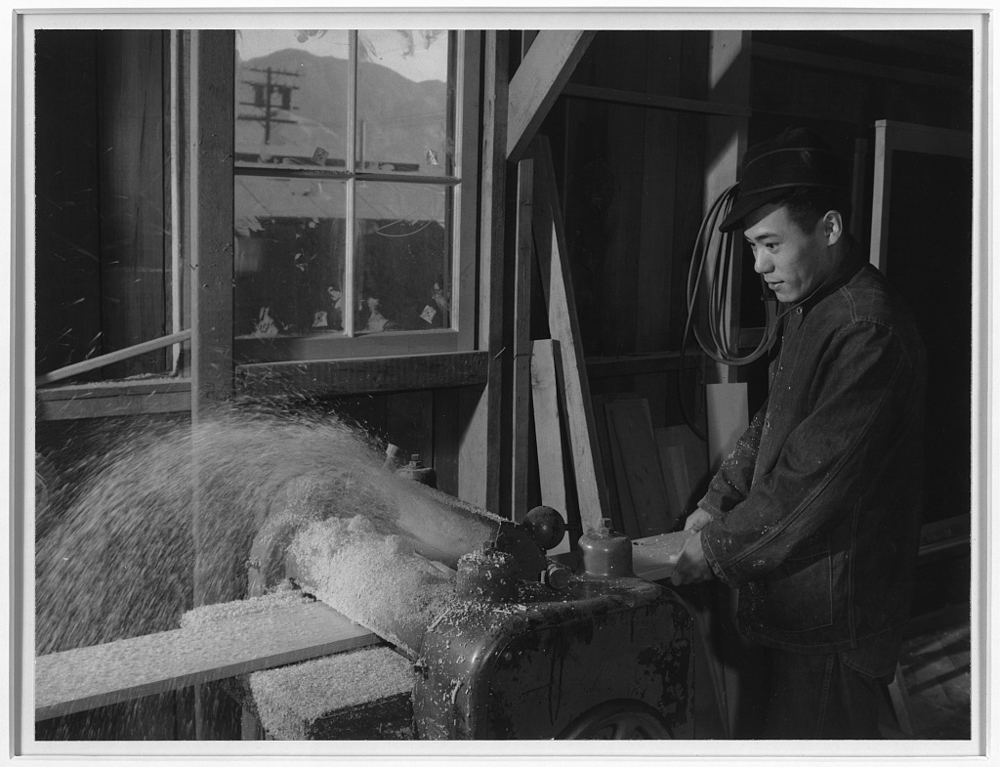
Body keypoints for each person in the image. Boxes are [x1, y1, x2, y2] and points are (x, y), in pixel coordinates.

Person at [670, 127, 927, 739]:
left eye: (770, 245)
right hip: (795, 599)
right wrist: (715, 503)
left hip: (835, 614)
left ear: (830, 229)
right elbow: (772, 425)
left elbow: (811, 482)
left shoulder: (869, 331)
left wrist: (713, 550)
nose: (759, 266)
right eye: (755, 247)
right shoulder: (813, 308)